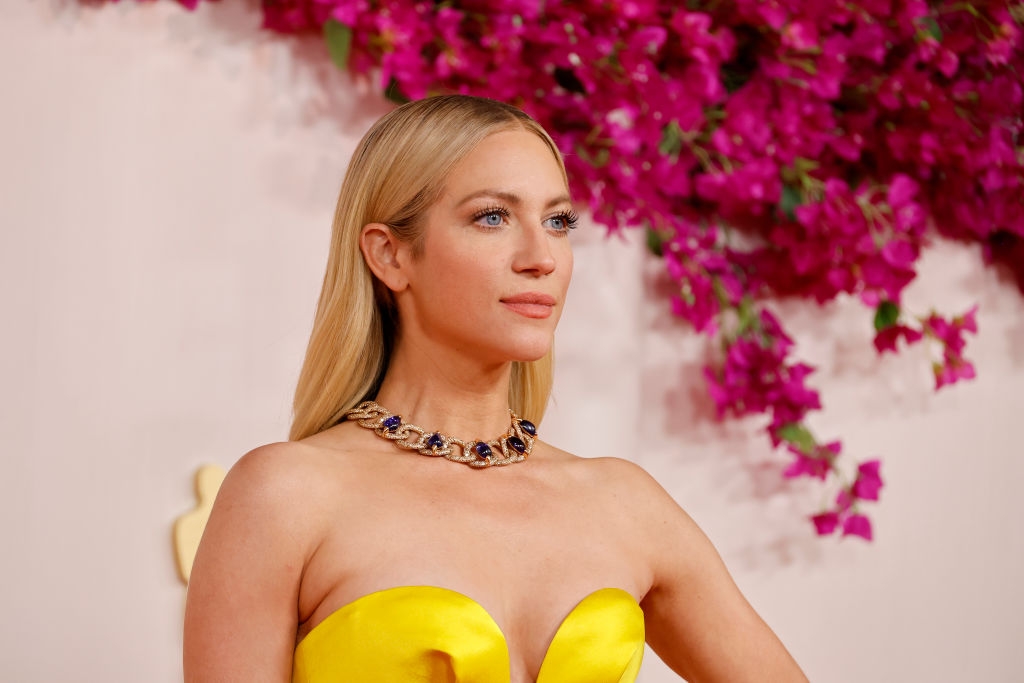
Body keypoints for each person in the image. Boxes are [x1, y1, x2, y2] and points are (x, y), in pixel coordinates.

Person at [183, 95, 808, 683]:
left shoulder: (625, 503)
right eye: (492, 217)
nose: (541, 256)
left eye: (559, 221)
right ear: (390, 256)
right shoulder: (283, 495)